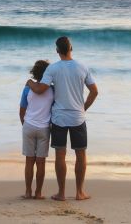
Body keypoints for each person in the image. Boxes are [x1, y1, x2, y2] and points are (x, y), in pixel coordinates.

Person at [26, 36, 98, 201]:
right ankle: (80, 192)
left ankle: (62, 193)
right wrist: (83, 107)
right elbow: (94, 91)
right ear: (71, 48)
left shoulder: (53, 69)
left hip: (59, 117)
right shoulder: (82, 67)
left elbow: (41, 89)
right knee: (81, 155)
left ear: (57, 51)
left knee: (60, 154)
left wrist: (30, 83)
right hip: (78, 117)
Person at [19, 60, 54, 199]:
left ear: (34, 72)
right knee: (40, 162)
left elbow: (22, 110)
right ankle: (38, 193)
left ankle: (28, 192)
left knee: (29, 161)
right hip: (44, 128)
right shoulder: (52, 90)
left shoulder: (27, 88)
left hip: (29, 126)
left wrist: (25, 124)